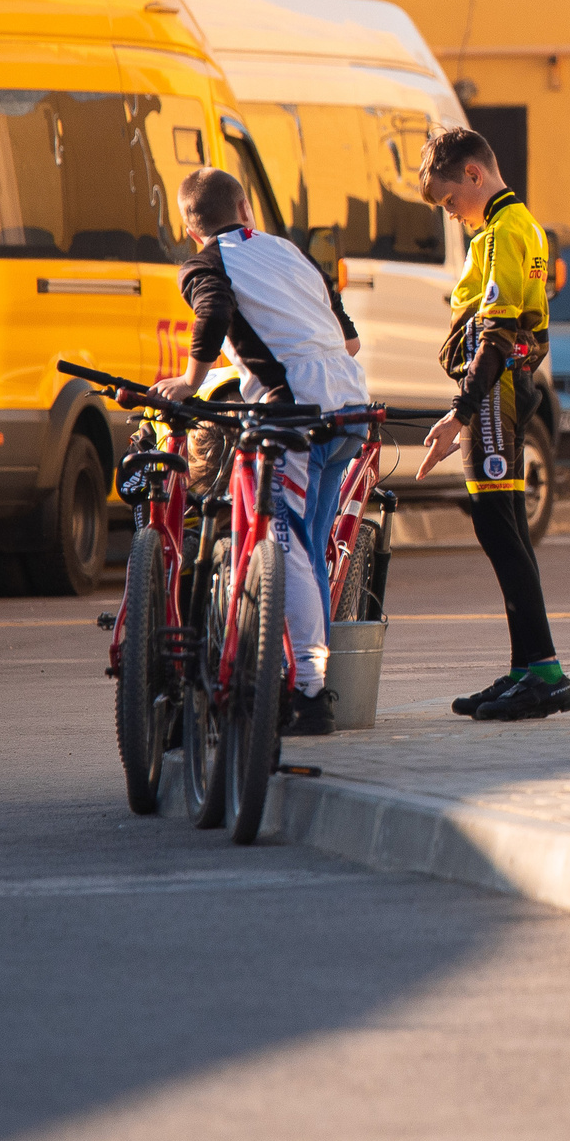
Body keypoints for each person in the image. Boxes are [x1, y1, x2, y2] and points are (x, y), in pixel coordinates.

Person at [158, 168, 368, 736]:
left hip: (296, 411)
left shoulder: (206, 264)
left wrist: (189, 378)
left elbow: (214, 315)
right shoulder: (290, 252)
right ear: (247, 207)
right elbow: (347, 338)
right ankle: (315, 677)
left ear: (189, 227)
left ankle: (307, 695)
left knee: (287, 543)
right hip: (350, 404)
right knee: (311, 549)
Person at [413, 129, 570, 722]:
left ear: (474, 176)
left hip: (495, 394)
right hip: (504, 391)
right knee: (505, 529)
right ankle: (528, 668)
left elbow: (497, 336)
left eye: (450, 202)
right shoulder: (515, 227)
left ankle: (545, 671)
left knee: (498, 527)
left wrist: (461, 412)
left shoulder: (505, 232)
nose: (451, 215)